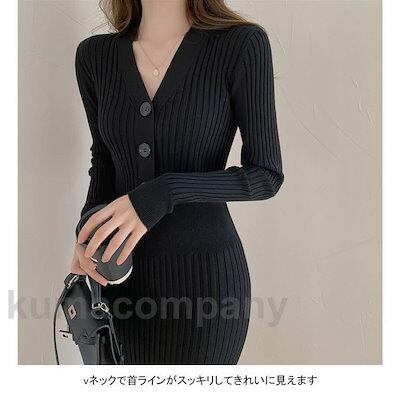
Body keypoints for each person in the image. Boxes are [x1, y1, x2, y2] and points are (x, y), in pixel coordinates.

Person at [71, 0, 284, 365]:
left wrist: (165, 192)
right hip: (120, 284)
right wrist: (88, 232)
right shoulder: (94, 56)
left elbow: (266, 175)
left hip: (206, 287)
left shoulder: (241, 44)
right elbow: (104, 163)